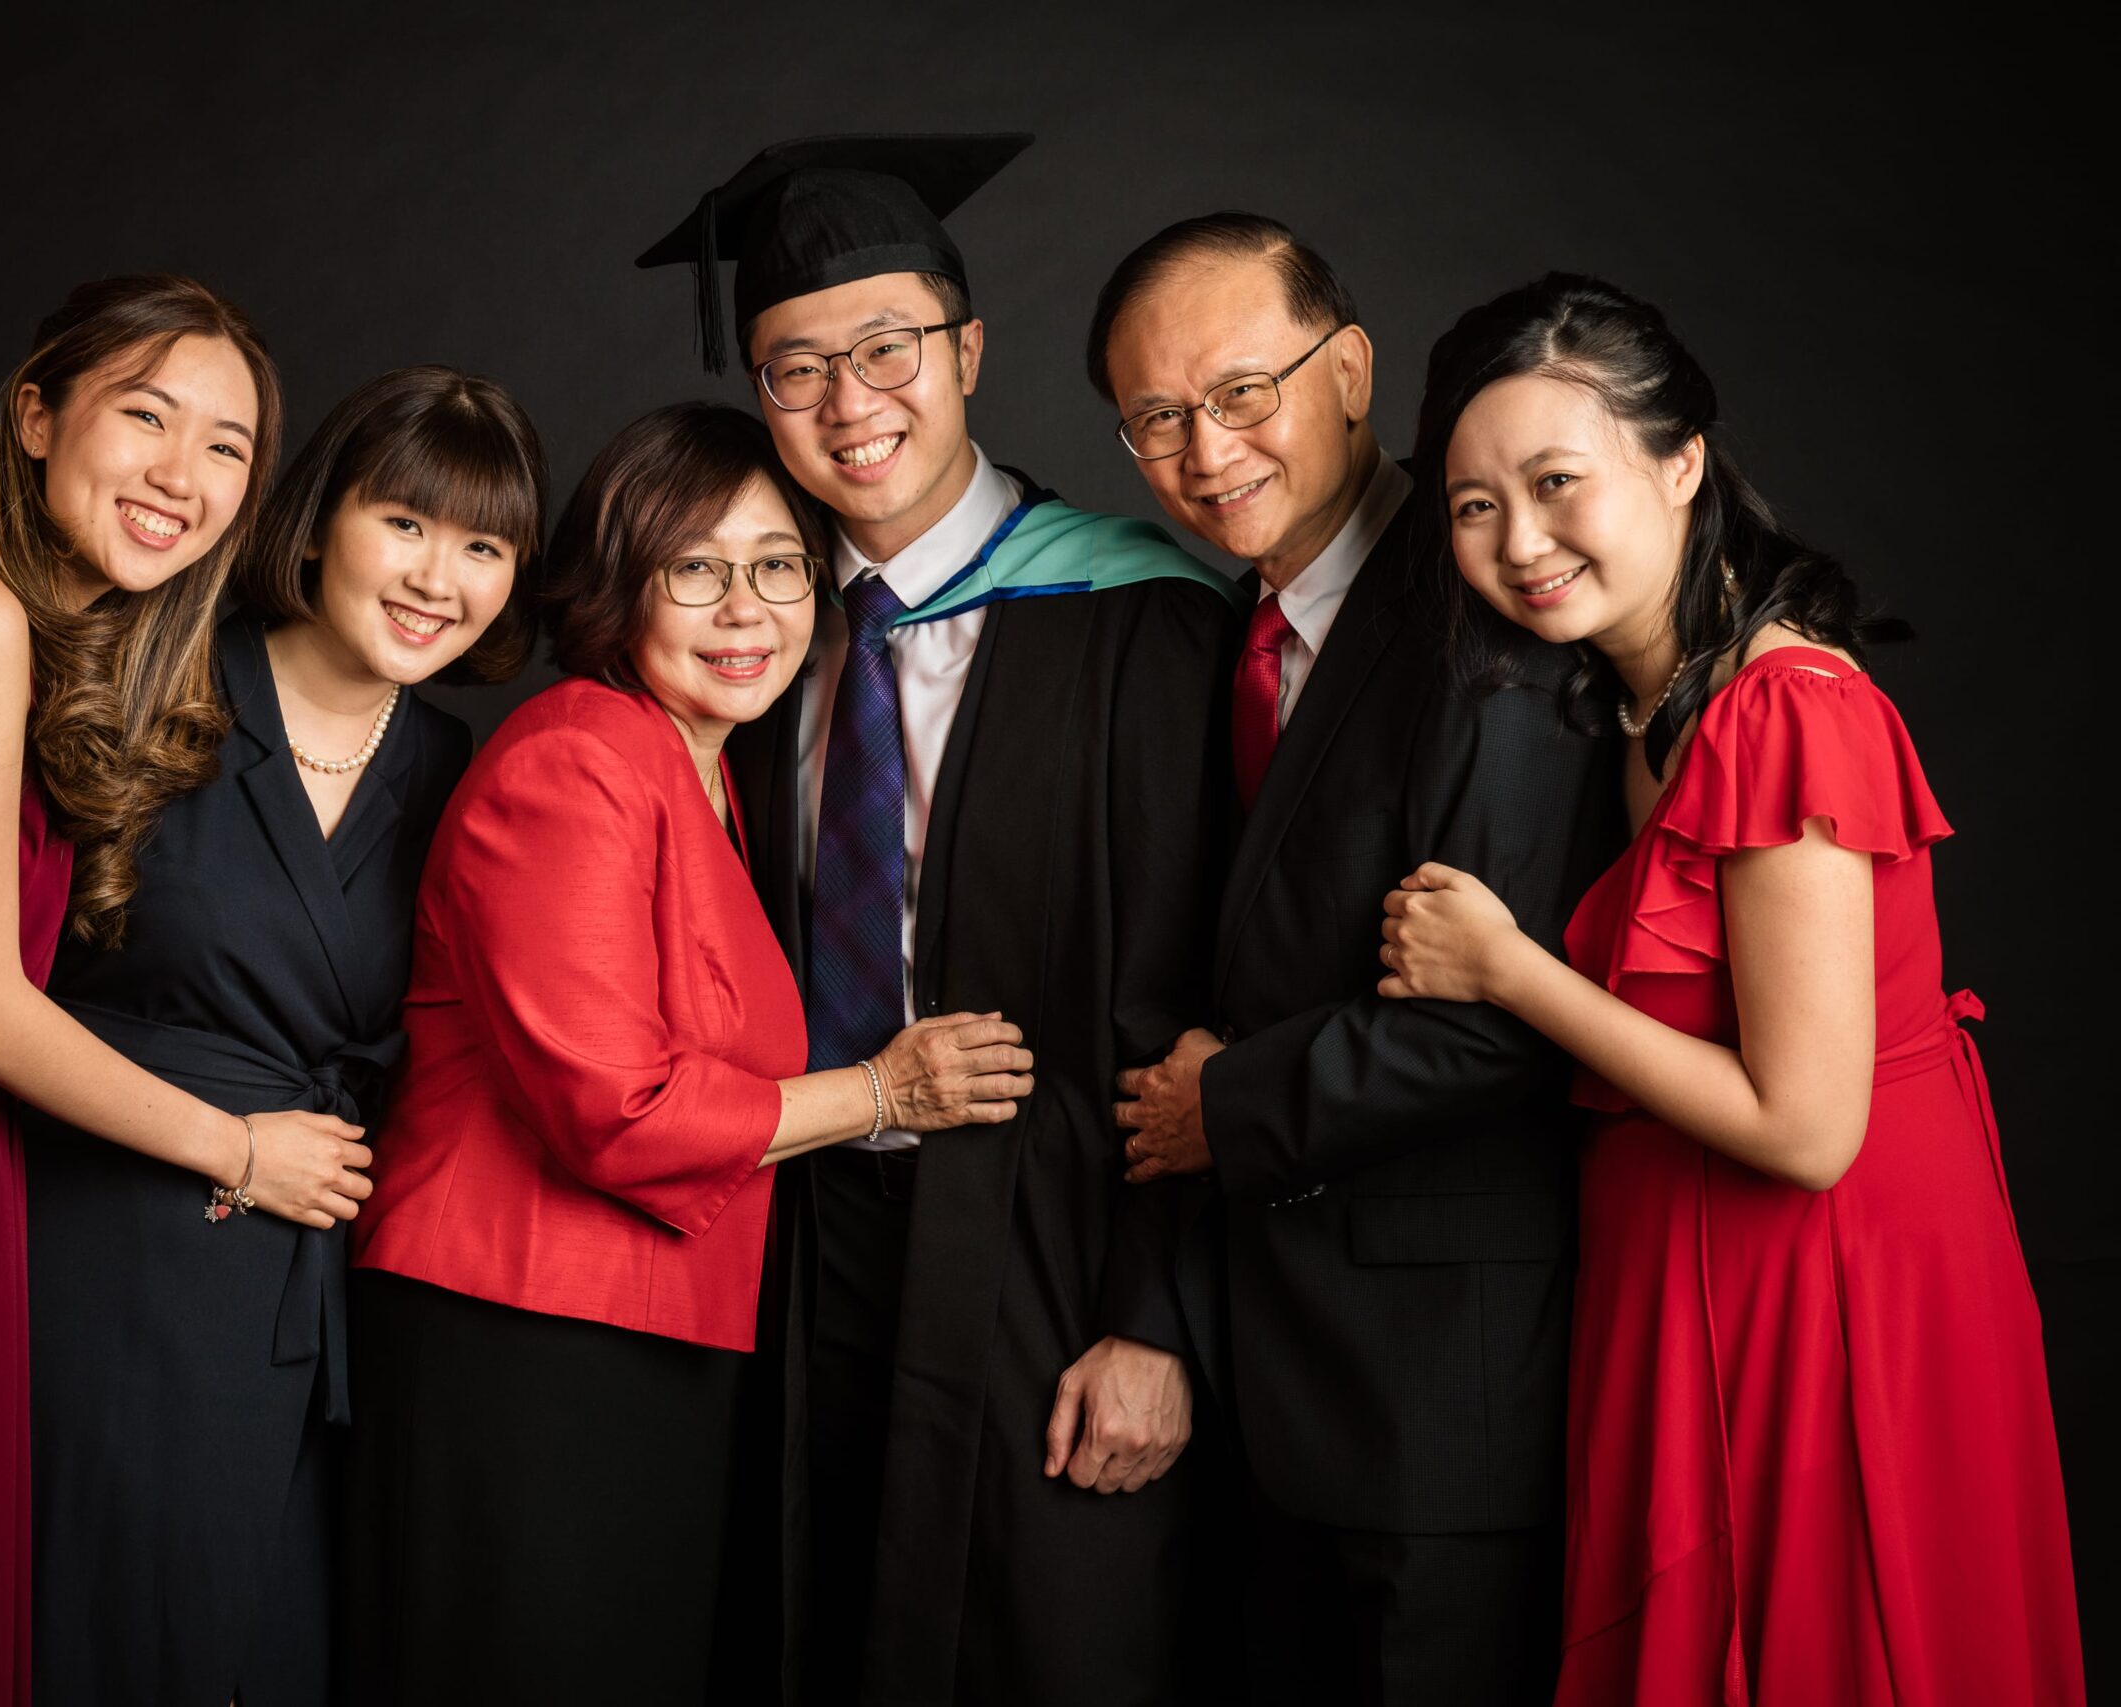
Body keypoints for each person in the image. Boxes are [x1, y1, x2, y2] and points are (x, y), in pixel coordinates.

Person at [0, 364, 548, 1705]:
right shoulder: (148, 673)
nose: (439, 577)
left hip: (311, 1281)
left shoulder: (462, 773)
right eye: (408, 526)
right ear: (317, 522)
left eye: (484, 547)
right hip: (103, 1241)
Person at [1377, 272, 2085, 1705]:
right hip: (1683, 1266)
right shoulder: (1632, 710)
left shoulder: (1786, 707)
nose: (1520, 541)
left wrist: (1509, 970)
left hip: (1828, 1283)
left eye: (1558, 480)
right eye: (1471, 505)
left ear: (1682, 460)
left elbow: (1806, 1128)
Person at [641, 136, 1240, 1707]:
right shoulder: (749, 638)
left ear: (968, 349)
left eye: (890, 348)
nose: (851, 406)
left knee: (1043, 1642)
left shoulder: (1139, 625)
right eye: (795, 368)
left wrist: (1156, 1316)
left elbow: (1214, 989)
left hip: (1051, 1235)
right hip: (798, 1229)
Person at [338, 401, 1032, 1707]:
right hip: (519, 1336)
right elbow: (617, 1108)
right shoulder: (574, 758)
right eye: (696, 570)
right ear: (620, 582)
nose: (746, 609)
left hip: (646, 1334)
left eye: (778, 567)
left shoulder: (707, 774)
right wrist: (887, 1090)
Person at [1095, 216, 1616, 1703]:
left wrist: (1228, 1105)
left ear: (1353, 372)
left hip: (1438, 1397)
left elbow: (1509, 1021)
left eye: (1243, 391)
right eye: (1158, 420)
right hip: (1273, 1382)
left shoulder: (1490, 619)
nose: (1208, 453)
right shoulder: (1218, 641)